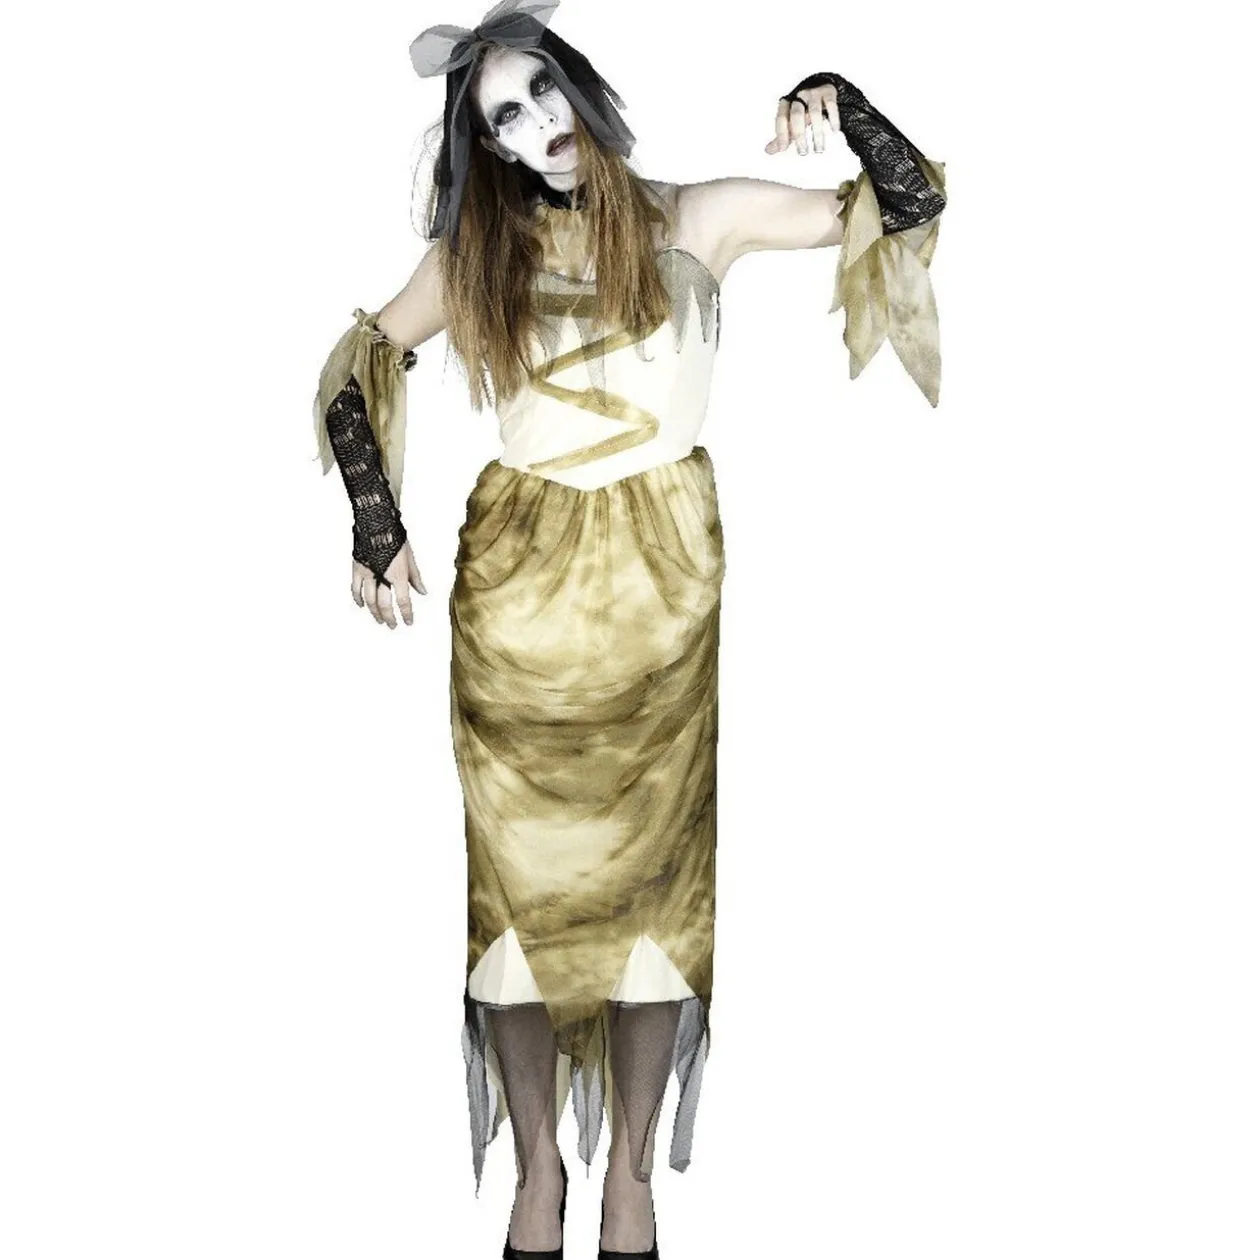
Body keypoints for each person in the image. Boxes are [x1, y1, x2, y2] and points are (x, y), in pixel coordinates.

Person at [310, 2, 945, 1256]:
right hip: (520, 609)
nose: (535, 123)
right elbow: (357, 364)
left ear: (580, 86)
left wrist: (841, 95)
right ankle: (538, 1169)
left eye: (542, 90)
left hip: (662, 598)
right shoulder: (476, 255)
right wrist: (376, 521)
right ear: (488, 146)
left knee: (658, 895)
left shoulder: (696, 217)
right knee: (516, 902)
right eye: (503, 116)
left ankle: (632, 1178)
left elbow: (908, 204)